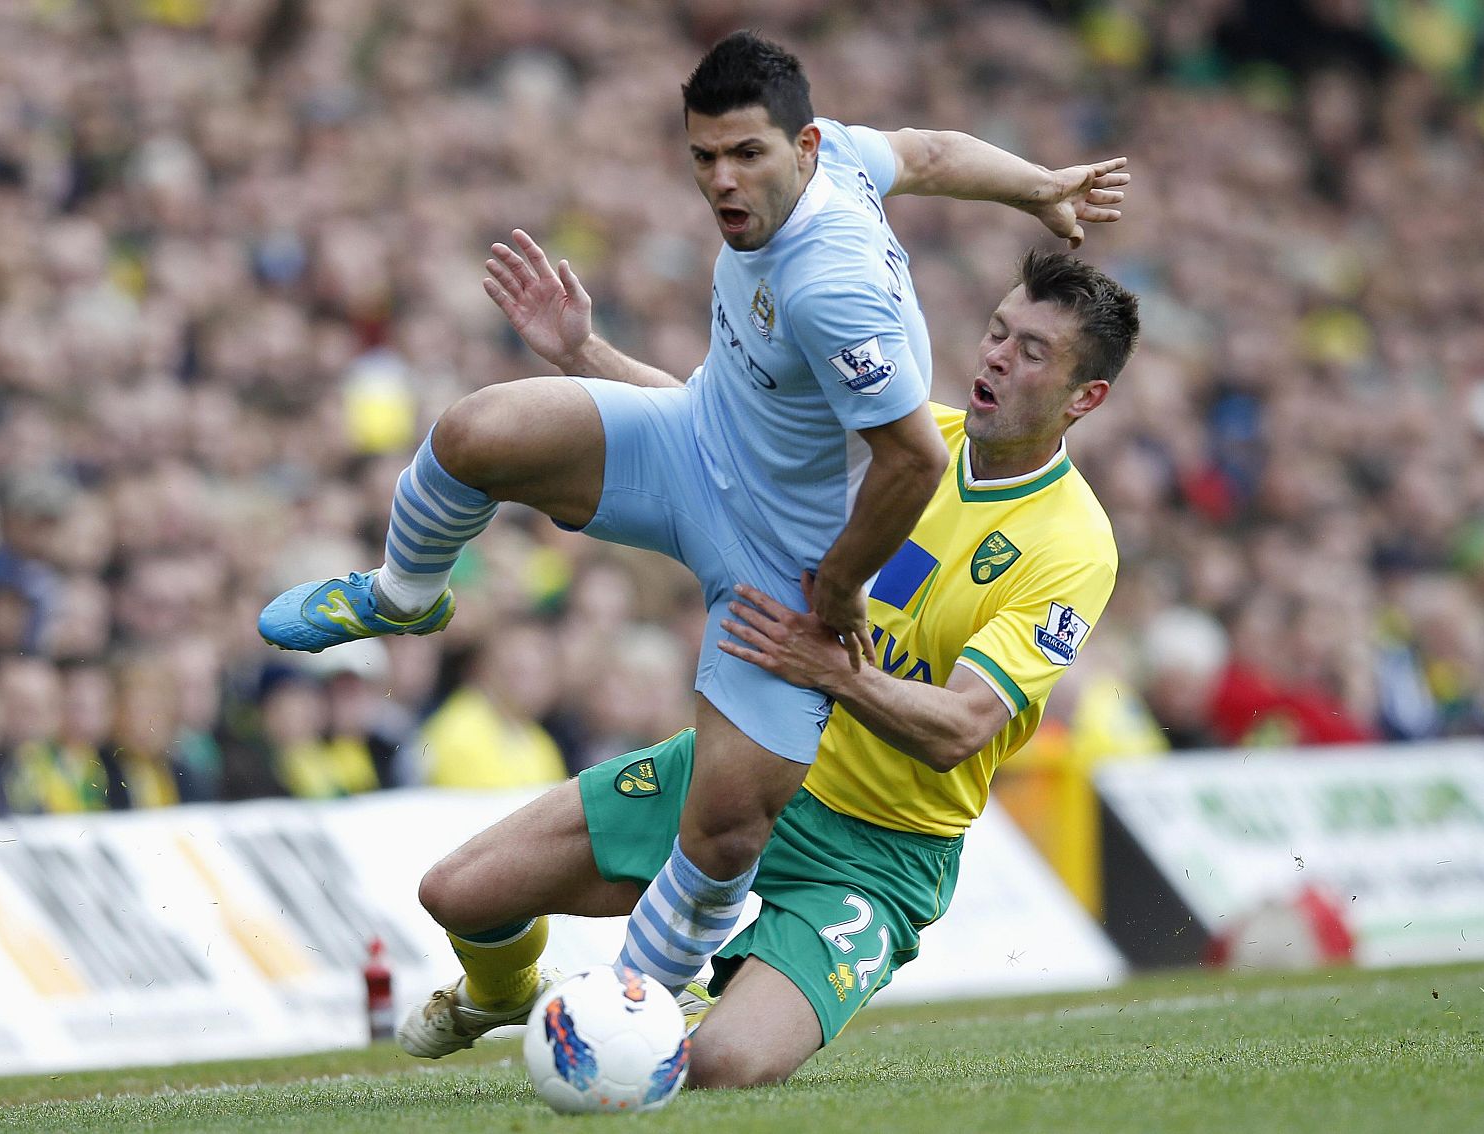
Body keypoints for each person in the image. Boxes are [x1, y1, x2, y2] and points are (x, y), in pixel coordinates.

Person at [259, 30, 1127, 1012]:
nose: (720, 181)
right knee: (476, 431)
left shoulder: (833, 291)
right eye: (702, 157)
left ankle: (644, 1006)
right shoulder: (838, 159)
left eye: (743, 155)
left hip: (784, 575)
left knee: (721, 834)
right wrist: (1035, 188)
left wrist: (836, 592)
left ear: (798, 150)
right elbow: (925, 153)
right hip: (693, 452)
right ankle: (403, 597)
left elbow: (912, 461)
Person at [398, 246, 1139, 1087]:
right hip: (746, 764)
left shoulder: (1073, 546)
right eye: (999, 332)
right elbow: (705, 430)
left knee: (721, 1066)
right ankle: (499, 995)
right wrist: (581, 356)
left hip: (881, 848)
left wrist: (833, 672)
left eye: (1033, 350)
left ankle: (705, 999)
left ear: (1087, 397)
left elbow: (963, 729)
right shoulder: (901, 443)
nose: (998, 355)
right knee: (459, 893)